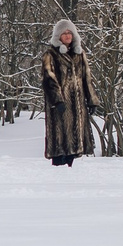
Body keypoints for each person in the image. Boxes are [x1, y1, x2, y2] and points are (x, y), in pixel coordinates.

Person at [40, 18, 98, 167]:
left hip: (78, 106)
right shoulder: (50, 54)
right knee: (61, 142)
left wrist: (92, 100)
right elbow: (49, 79)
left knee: (75, 144)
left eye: (69, 33)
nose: (67, 36)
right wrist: (58, 100)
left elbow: (87, 78)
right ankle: (59, 170)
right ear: (58, 36)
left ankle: (72, 170)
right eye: (64, 33)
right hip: (60, 106)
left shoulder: (79, 54)